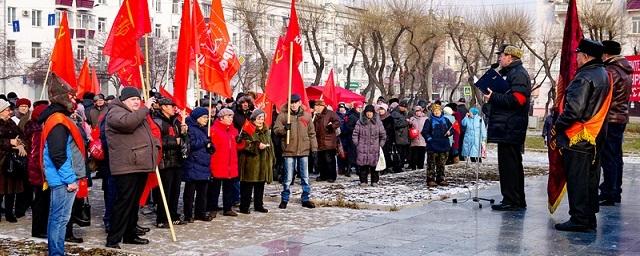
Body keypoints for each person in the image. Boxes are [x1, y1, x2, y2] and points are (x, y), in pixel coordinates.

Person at [552, 39, 610, 232]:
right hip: (594, 136)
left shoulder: (584, 77)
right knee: (590, 179)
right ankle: (588, 217)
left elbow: (574, 110)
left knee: (577, 179)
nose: (575, 58)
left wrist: (558, 125)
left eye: (577, 54)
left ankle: (578, 218)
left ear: (585, 56)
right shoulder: (604, 74)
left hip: (578, 136)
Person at [105, 87, 159, 248]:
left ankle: (130, 234)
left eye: (138, 99)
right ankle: (113, 239)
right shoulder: (115, 112)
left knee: (134, 203)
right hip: (126, 166)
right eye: (132, 100)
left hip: (138, 165)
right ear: (123, 101)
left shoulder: (136, 113)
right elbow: (127, 124)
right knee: (123, 203)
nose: (136, 102)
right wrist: (145, 109)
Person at [39, 81, 87, 255]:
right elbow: (57, 153)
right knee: (59, 219)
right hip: (62, 179)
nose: (74, 99)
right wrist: (70, 179)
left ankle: (57, 251)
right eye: (70, 96)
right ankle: (56, 253)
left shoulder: (59, 118)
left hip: (62, 177)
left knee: (60, 218)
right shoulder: (58, 121)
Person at [483, 45, 531, 211]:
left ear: (510, 57)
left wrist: (493, 97)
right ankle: (514, 199)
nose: (499, 59)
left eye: (501, 56)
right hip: (506, 126)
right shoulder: (510, 73)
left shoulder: (519, 74)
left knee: (510, 165)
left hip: (511, 126)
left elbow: (518, 99)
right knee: (509, 164)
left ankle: (512, 199)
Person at [599, 40, 632, 206]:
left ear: (606, 54)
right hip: (620, 117)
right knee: (616, 156)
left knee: (609, 157)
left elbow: (605, 96)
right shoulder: (624, 69)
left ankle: (608, 192)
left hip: (610, 118)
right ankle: (615, 190)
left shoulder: (611, 71)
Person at [273, 94, 318, 209]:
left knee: (305, 177)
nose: (293, 105)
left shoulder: (307, 116)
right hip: (289, 150)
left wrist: (314, 149)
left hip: (304, 149)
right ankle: (284, 199)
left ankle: (305, 198)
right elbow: (276, 130)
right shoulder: (283, 116)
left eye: (295, 102)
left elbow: (312, 134)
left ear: (299, 103)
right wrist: (284, 129)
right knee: (288, 177)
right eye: (291, 103)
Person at [151, 98, 188, 227]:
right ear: (163, 107)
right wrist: (175, 141)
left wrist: (183, 134)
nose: (173, 108)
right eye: (171, 106)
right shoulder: (157, 122)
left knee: (175, 191)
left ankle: (173, 215)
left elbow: (182, 140)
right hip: (164, 162)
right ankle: (161, 218)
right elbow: (156, 141)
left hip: (177, 161)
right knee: (164, 192)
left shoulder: (176, 121)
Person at [238, 109, 274, 214]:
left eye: (262, 118)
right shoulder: (247, 129)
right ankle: (244, 206)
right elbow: (242, 143)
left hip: (263, 161)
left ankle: (259, 205)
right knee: (247, 186)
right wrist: (257, 145)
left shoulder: (266, 130)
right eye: (259, 118)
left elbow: (270, 144)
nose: (261, 120)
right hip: (250, 161)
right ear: (253, 119)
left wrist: (272, 157)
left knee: (260, 185)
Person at [183, 107, 215, 222]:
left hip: (204, 164)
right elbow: (191, 145)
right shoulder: (190, 129)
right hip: (193, 163)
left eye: (207, 117)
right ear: (197, 118)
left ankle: (200, 213)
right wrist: (205, 142)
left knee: (202, 192)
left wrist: (211, 145)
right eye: (205, 117)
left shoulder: (204, 129)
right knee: (190, 193)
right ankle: (188, 214)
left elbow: (208, 146)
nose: (207, 119)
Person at [209, 108, 241, 217]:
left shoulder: (234, 131)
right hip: (218, 163)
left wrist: (242, 142)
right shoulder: (214, 130)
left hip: (230, 164)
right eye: (228, 116)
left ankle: (227, 208)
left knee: (229, 188)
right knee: (215, 189)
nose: (231, 118)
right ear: (221, 118)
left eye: (231, 116)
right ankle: (212, 208)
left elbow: (237, 147)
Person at [25, 103, 49, 238]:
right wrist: (43, 173)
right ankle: (39, 230)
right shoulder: (38, 132)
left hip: (37, 172)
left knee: (41, 201)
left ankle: (40, 229)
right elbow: (37, 155)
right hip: (39, 174)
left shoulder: (35, 129)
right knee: (41, 202)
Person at [0, 99, 26, 223]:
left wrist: (20, 144)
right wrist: (9, 142)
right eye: (7, 110)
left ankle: (10, 213)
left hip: (12, 160)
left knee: (11, 189)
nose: (9, 112)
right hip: (1, 160)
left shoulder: (11, 123)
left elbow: (21, 136)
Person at [352, 105, 386, 186]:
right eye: (367, 112)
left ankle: (374, 181)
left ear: (373, 113)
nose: (369, 114)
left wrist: (380, 145)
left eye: (370, 112)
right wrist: (357, 144)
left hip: (374, 148)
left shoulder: (378, 122)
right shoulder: (359, 122)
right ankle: (363, 181)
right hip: (362, 148)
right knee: (363, 166)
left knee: (374, 166)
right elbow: (355, 134)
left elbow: (383, 135)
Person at [421, 104, 452, 187]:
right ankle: (430, 179)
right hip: (432, 146)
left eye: (438, 110)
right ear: (432, 112)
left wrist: (450, 133)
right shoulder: (429, 121)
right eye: (435, 111)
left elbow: (452, 129)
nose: (437, 112)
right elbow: (424, 132)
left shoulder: (446, 120)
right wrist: (430, 139)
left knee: (441, 164)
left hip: (444, 145)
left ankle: (441, 178)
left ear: (441, 111)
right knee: (431, 164)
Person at [312, 99, 341, 183]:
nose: (316, 107)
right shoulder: (315, 115)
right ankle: (323, 175)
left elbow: (338, 122)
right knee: (321, 160)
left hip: (329, 141)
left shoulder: (330, 113)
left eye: (318, 106)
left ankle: (332, 176)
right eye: (315, 106)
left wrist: (332, 126)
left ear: (322, 106)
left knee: (329, 160)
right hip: (319, 141)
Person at [408, 106, 427, 170]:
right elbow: (409, 127)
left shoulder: (425, 118)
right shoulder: (412, 119)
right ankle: (413, 167)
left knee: (422, 154)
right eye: (416, 111)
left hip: (423, 139)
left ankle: (420, 166)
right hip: (414, 139)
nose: (417, 113)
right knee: (414, 155)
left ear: (421, 111)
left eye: (418, 111)